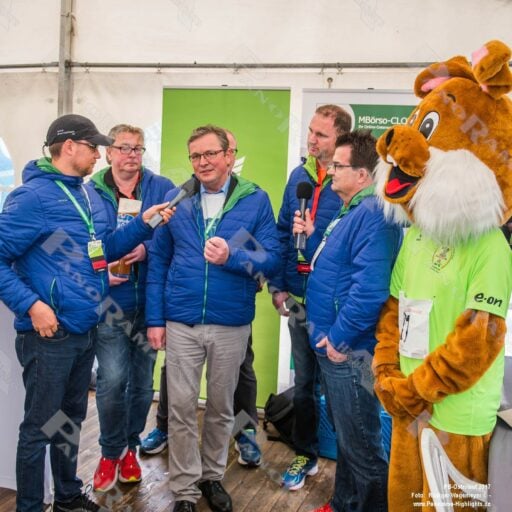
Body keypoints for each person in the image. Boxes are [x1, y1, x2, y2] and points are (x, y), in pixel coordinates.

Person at [0, 114, 172, 512]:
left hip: (84, 327)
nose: (98, 154)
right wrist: (32, 305)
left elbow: (105, 248)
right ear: (69, 147)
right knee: (39, 427)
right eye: (93, 147)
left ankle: (67, 497)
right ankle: (29, 506)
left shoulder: (88, 196)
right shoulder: (31, 198)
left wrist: (145, 223)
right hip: (48, 333)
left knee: (70, 420)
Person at [146, 125, 280, 512]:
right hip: (181, 321)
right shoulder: (177, 199)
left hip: (230, 323)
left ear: (228, 156)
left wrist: (232, 257)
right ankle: (185, 489)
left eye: (210, 154)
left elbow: (271, 258)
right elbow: (158, 261)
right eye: (195, 156)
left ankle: (212, 477)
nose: (202, 162)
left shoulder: (255, 200)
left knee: (221, 408)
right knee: (181, 408)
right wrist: (155, 320)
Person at [293, 130, 401, 512]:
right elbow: (337, 267)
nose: (330, 171)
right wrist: (313, 236)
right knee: (347, 439)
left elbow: (369, 291)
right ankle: (343, 503)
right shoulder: (353, 210)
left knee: (363, 448)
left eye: (338, 166)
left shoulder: (373, 214)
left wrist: (338, 339)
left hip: (349, 351)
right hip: (336, 345)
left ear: (362, 174)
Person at [86, 124, 175, 492]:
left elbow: (175, 238)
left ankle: (130, 449)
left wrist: (147, 249)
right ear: (108, 152)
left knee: (141, 385)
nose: (131, 155)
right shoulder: (90, 192)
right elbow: (86, 243)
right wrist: (101, 268)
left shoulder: (162, 187)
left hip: (150, 304)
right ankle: (110, 452)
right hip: (110, 304)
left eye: (138, 148)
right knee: (111, 382)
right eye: (123, 148)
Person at [270, 104, 352, 490]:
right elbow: (281, 232)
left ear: (341, 139)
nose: (312, 139)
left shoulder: (351, 182)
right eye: (310, 131)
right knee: (304, 383)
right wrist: (278, 285)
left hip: (335, 306)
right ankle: (306, 453)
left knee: (338, 388)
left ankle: (351, 469)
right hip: (299, 298)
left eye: (321, 134)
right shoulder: (298, 177)